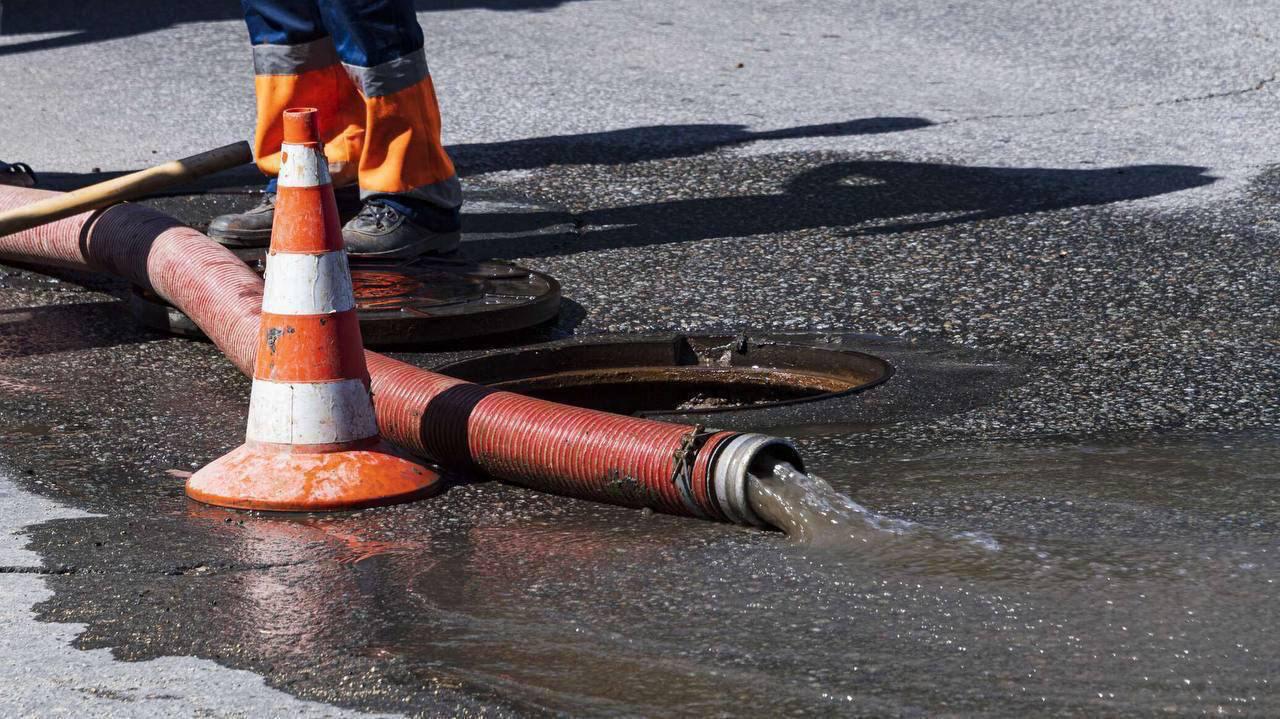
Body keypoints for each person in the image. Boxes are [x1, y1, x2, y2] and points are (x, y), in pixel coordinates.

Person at [209, 0, 462, 258]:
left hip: (413, 191)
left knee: (363, 16)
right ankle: (315, 183)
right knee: (281, 15)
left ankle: (416, 201)